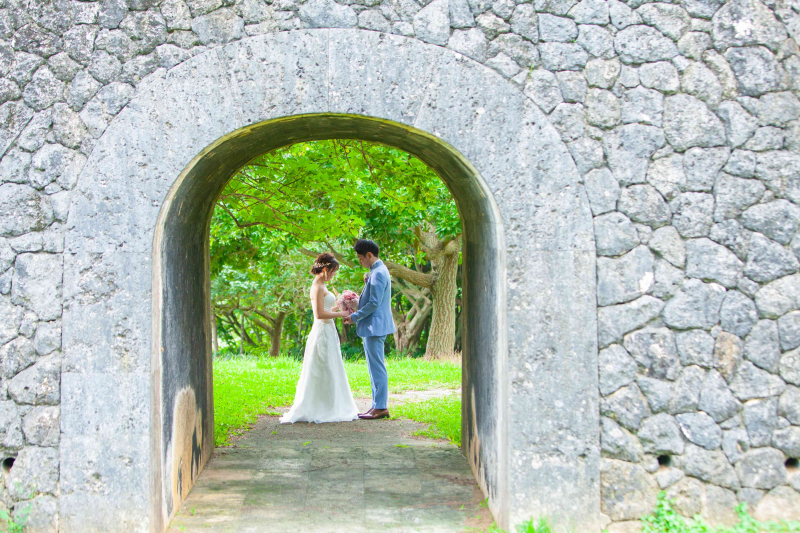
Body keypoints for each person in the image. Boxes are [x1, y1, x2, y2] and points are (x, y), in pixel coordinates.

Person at [280, 253, 359, 424]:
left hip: (329, 330)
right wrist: (341, 313)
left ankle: (333, 402)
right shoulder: (317, 286)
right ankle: (321, 406)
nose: (333, 275)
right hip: (322, 330)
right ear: (325, 269)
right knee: (322, 365)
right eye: (332, 272)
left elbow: (326, 306)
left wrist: (343, 304)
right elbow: (319, 314)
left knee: (332, 365)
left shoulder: (323, 284)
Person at [344, 239, 396, 420]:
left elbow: (375, 303)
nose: (359, 262)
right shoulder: (376, 271)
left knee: (377, 367)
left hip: (375, 326)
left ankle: (381, 407)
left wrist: (354, 316)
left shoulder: (379, 273)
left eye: (360, 258)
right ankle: (376, 405)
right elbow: (372, 301)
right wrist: (356, 304)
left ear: (369, 255)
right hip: (372, 325)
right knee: (373, 367)